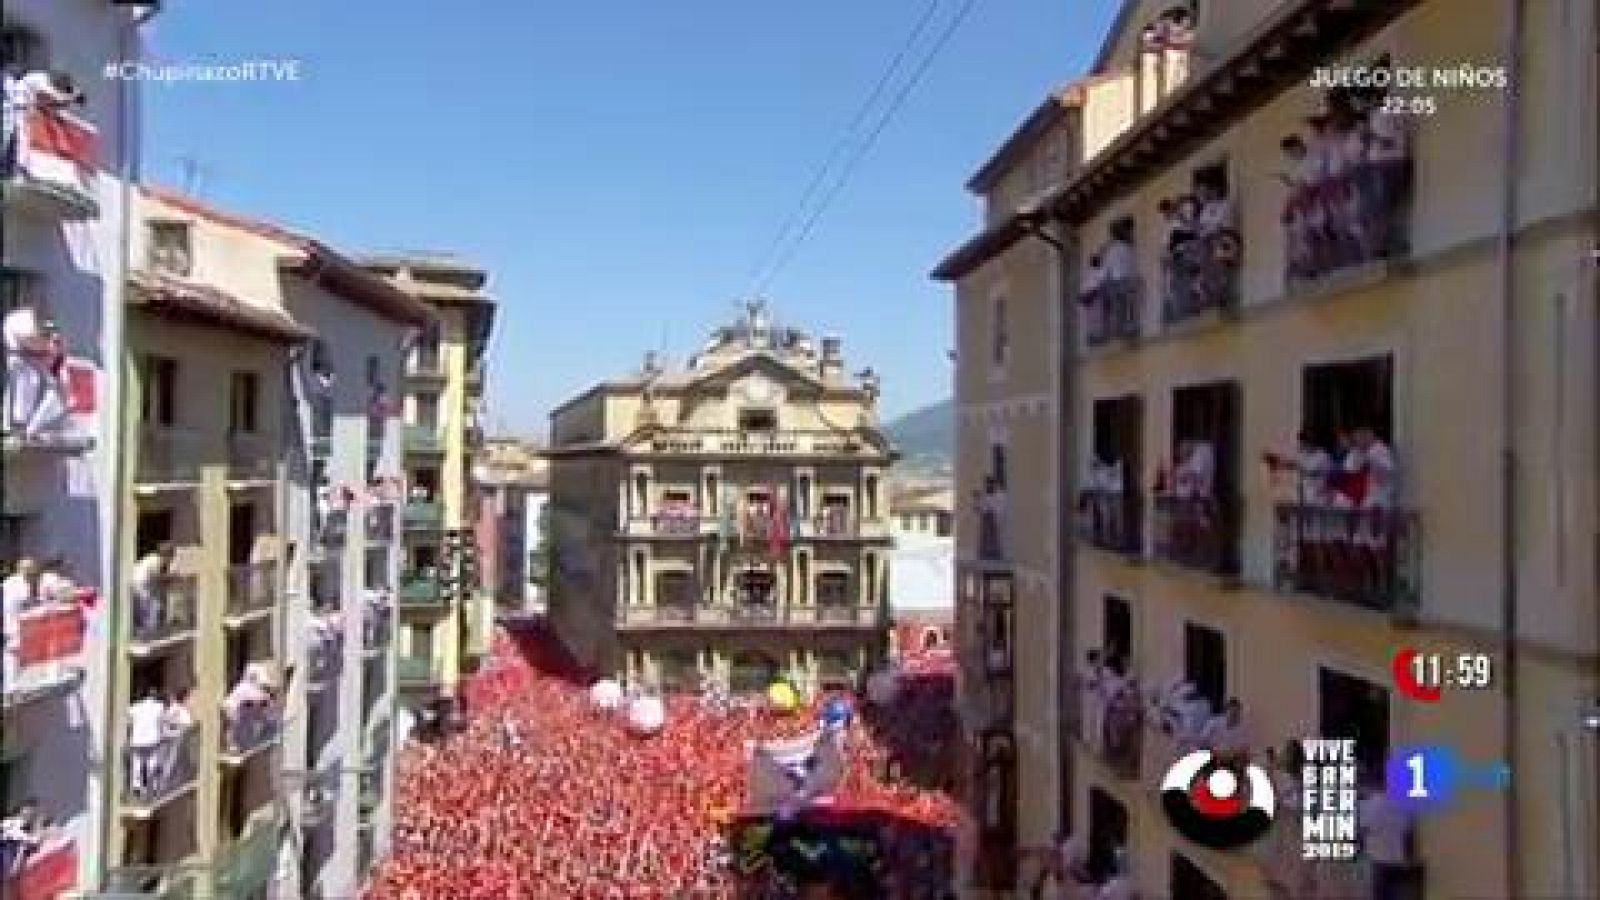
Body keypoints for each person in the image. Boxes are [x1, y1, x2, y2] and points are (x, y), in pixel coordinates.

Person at [4, 299, 68, 442]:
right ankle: (18, 424)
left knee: (52, 389)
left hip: (40, 355)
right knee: (27, 380)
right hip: (19, 349)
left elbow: (55, 360)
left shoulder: (52, 339)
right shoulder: (20, 326)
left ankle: (32, 427)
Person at [126, 687, 166, 799]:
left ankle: (137, 787)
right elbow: (161, 722)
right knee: (151, 762)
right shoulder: (159, 707)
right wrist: (162, 734)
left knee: (137, 763)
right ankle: (151, 787)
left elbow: (129, 721)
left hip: (138, 739)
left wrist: (129, 736)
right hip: (152, 739)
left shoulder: (135, 707)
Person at [129, 543, 173, 638]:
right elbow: (159, 578)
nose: (171, 559)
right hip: (142, 587)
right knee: (151, 613)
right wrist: (173, 577)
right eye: (171, 555)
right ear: (166, 554)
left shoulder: (151, 558)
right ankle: (148, 636)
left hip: (136, 586)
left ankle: (143, 635)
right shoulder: (157, 561)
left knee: (143, 614)